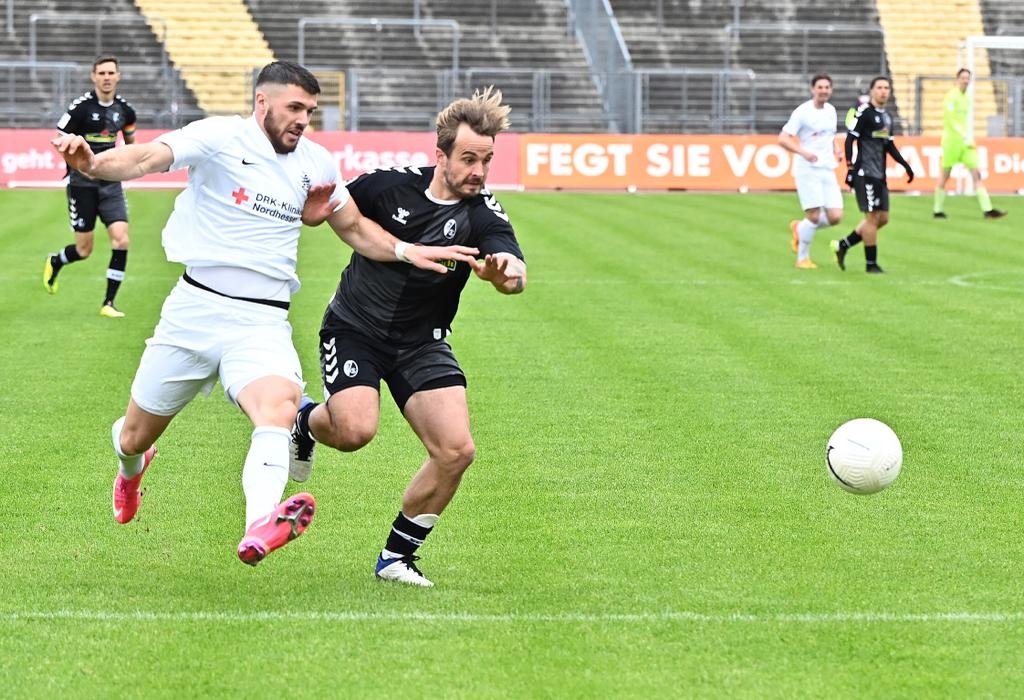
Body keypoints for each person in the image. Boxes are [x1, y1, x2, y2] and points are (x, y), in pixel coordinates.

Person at [51, 61, 477, 566]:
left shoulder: (316, 162)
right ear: (262, 103)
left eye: (310, 111)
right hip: (193, 311)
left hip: (261, 320)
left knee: (277, 409)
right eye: (294, 108)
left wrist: (407, 251)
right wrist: (92, 164)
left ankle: (259, 525)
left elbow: (354, 227)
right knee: (133, 435)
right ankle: (132, 467)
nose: (303, 120)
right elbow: (145, 157)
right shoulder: (219, 137)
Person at [292, 86, 526, 587]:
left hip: (422, 343)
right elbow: (336, 210)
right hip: (355, 328)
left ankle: (396, 558)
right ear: (440, 155)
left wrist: (505, 274)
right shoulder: (388, 186)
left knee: (456, 451)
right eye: (468, 159)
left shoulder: (483, 213)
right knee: (354, 433)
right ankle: (305, 422)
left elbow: (513, 270)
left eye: (486, 160)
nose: (478, 171)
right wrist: (315, 211)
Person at [44, 56, 138, 318]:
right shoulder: (81, 108)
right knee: (84, 250)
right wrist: (77, 163)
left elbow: (131, 145)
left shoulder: (125, 111)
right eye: (102, 73)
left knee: (122, 239)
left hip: (111, 185)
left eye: (111, 73)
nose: (107, 77)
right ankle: (56, 261)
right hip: (82, 185)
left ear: (118, 76)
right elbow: (59, 139)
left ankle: (108, 303)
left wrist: (125, 166)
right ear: (93, 76)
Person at [831, 76, 914, 274]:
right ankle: (871, 264)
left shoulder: (887, 117)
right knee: (872, 217)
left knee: (883, 218)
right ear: (872, 91)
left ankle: (843, 245)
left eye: (886, 88)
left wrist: (905, 165)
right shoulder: (865, 113)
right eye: (879, 87)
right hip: (865, 172)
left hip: (880, 174)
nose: (883, 91)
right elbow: (849, 139)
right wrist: (850, 168)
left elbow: (889, 145)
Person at [779, 73, 844, 269]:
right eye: (820, 87)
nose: (824, 91)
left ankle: (800, 228)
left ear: (831, 90)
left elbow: (829, 135)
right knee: (814, 215)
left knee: (835, 216)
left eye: (827, 87)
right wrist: (803, 152)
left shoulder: (831, 110)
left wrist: (836, 149)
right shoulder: (802, 112)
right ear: (812, 89)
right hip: (807, 169)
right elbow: (783, 138)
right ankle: (802, 258)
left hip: (827, 167)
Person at [932, 68, 1007, 220]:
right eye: (963, 78)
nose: (965, 81)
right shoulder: (951, 96)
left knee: (976, 173)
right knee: (945, 175)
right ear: (957, 79)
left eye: (968, 78)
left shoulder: (967, 97)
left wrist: (967, 137)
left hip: (966, 143)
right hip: (952, 142)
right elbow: (950, 119)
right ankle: (937, 209)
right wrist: (963, 134)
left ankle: (987, 209)